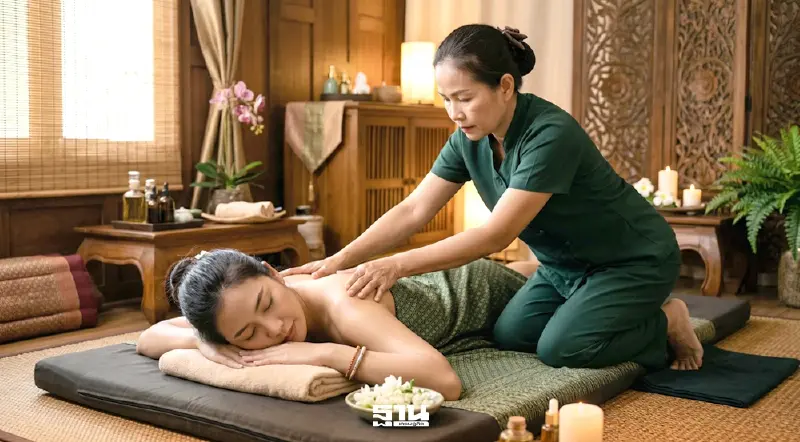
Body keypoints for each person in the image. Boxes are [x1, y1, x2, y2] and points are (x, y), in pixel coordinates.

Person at [280, 24, 703, 372]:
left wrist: (396, 265)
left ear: (504, 86)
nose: (455, 112)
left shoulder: (549, 134)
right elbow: (413, 209)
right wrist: (339, 259)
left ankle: (666, 320)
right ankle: (597, 310)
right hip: (564, 267)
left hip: (630, 259)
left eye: (465, 98)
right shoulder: (468, 138)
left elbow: (496, 235)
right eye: (447, 100)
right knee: (511, 334)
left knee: (563, 349)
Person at [136, 248, 540, 401]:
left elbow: (445, 381)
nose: (273, 328)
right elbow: (149, 337)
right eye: (248, 334)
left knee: (536, 278)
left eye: (268, 303)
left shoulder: (346, 307)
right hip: (434, 288)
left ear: (273, 273)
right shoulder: (234, 309)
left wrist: (328, 354)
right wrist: (208, 344)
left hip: (477, 287)